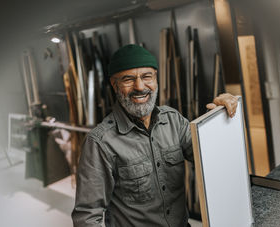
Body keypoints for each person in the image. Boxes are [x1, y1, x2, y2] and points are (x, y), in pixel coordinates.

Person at [72, 44, 238, 227]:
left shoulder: (173, 120)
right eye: (128, 79)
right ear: (114, 84)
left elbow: (209, 159)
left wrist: (220, 121)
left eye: (146, 76)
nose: (140, 86)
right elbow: (87, 218)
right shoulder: (100, 143)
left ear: (156, 79)